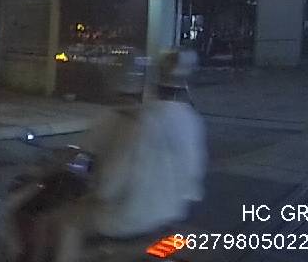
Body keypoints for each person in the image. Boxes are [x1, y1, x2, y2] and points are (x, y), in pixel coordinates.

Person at [25, 49, 206, 261]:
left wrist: (93, 187)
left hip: (124, 217)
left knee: (66, 223)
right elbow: (193, 178)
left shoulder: (128, 119)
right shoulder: (190, 119)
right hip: (170, 215)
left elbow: (107, 181)